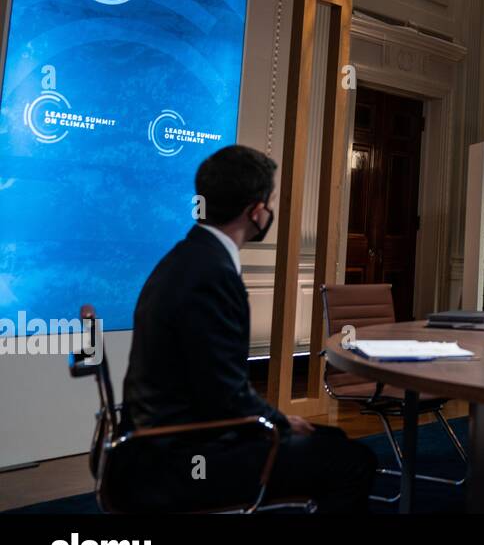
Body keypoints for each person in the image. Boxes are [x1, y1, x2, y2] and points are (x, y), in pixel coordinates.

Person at [122, 145, 377, 512]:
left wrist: (275, 419)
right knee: (351, 460)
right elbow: (223, 394)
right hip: (185, 452)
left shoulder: (187, 258)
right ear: (255, 211)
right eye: (270, 202)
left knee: (330, 440)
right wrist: (278, 422)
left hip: (160, 439)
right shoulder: (211, 275)